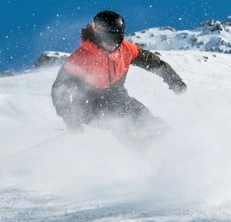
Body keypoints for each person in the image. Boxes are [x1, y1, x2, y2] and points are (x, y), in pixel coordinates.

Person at [51, 10, 186, 144]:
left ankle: (176, 145)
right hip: (90, 106)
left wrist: (174, 81)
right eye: (110, 39)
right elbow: (59, 89)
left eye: (118, 39)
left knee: (145, 117)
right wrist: (71, 118)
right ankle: (149, 153)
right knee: (122, 124)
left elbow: (154, 63)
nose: (114, 43)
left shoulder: (125, 50)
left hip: (119, 98)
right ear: (97, 35)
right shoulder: (80, 58)